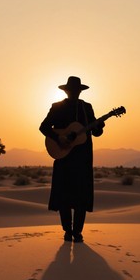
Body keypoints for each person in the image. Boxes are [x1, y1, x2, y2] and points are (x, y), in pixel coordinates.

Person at [39, 76, 105, 243]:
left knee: (81, 195)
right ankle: (67, 230)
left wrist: (99, 126)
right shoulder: (57, 107)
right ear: (66, 91)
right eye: (71, 90)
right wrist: (58, 137)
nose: (74, 93)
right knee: (64, 196)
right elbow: (44, 127)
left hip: (82, 158)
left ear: (79, 91)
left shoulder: (86, 108)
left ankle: (78, 232)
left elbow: (95, 133)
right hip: (63, 157)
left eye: (76, 90)